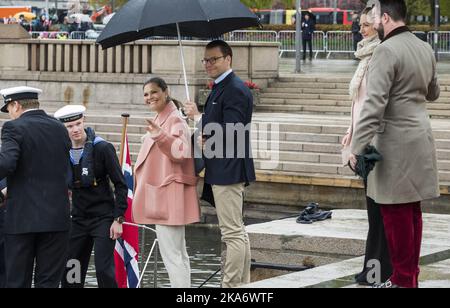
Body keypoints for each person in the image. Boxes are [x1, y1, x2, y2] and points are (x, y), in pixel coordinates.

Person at [350, 0, 441, 288]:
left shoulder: (386, 50)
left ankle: (402, 281)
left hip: (395, 144)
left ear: (386, 18)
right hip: (421, 136)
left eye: (375, 17)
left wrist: (356, 146)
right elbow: (433, 92)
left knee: (394, 214)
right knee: (412, 211)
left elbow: (374, 105)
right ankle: (408, 277)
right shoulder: (424, 47)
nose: (373, 22)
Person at [184, 40, 256, 288]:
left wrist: (199, 118)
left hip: (229, 168)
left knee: (232, 233)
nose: (208, 64)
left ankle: (231, 286)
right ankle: (241, 284)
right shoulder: (221, 87)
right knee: (238, 231)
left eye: (213, 59)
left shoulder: (234, 88)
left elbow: (234, 130)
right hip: (223, 167)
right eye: (205, 60)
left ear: (228, 59)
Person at [0, 86, 71, 288]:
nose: (11, 115)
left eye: (9, 108)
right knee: (48, 282)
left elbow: (6, 163)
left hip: (23, 220)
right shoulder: (59, 128)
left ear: (16, 105)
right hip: (57, 219)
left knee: (17, 281)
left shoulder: (14, 128)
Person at [133, 77, 200, 288]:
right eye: (145, 94)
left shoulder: (173, 118)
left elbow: (180, 152)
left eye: (153, 92)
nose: (149, 97)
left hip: (167, 197)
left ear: (165, 91)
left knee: (173, 257)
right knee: (178, 255)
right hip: (163, 196)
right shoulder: (164, 117)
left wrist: (158, 135)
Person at [342, 6, 392, 286]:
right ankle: (371, 269)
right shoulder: (365, 56)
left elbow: (373, 106)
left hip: (373, 143)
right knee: (373, 211)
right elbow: (358, 104)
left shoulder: (379, 55)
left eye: (366, 25)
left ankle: (378, 272)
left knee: (377, 211)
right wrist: (349, 131)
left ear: (379, 25)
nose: (361, 29)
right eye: (360, 25)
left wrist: (360, 141)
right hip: (362, 138)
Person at [54, 105, 128, 288]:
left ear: (84, 121)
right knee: (72, 267)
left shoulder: (103, 148)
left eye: (78, 124)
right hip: (78, 219)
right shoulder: (61, 151)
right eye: (70, 126)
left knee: (104, 269)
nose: (75, 129)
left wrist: (118, 219)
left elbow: (120, 185)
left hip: (103, 218)